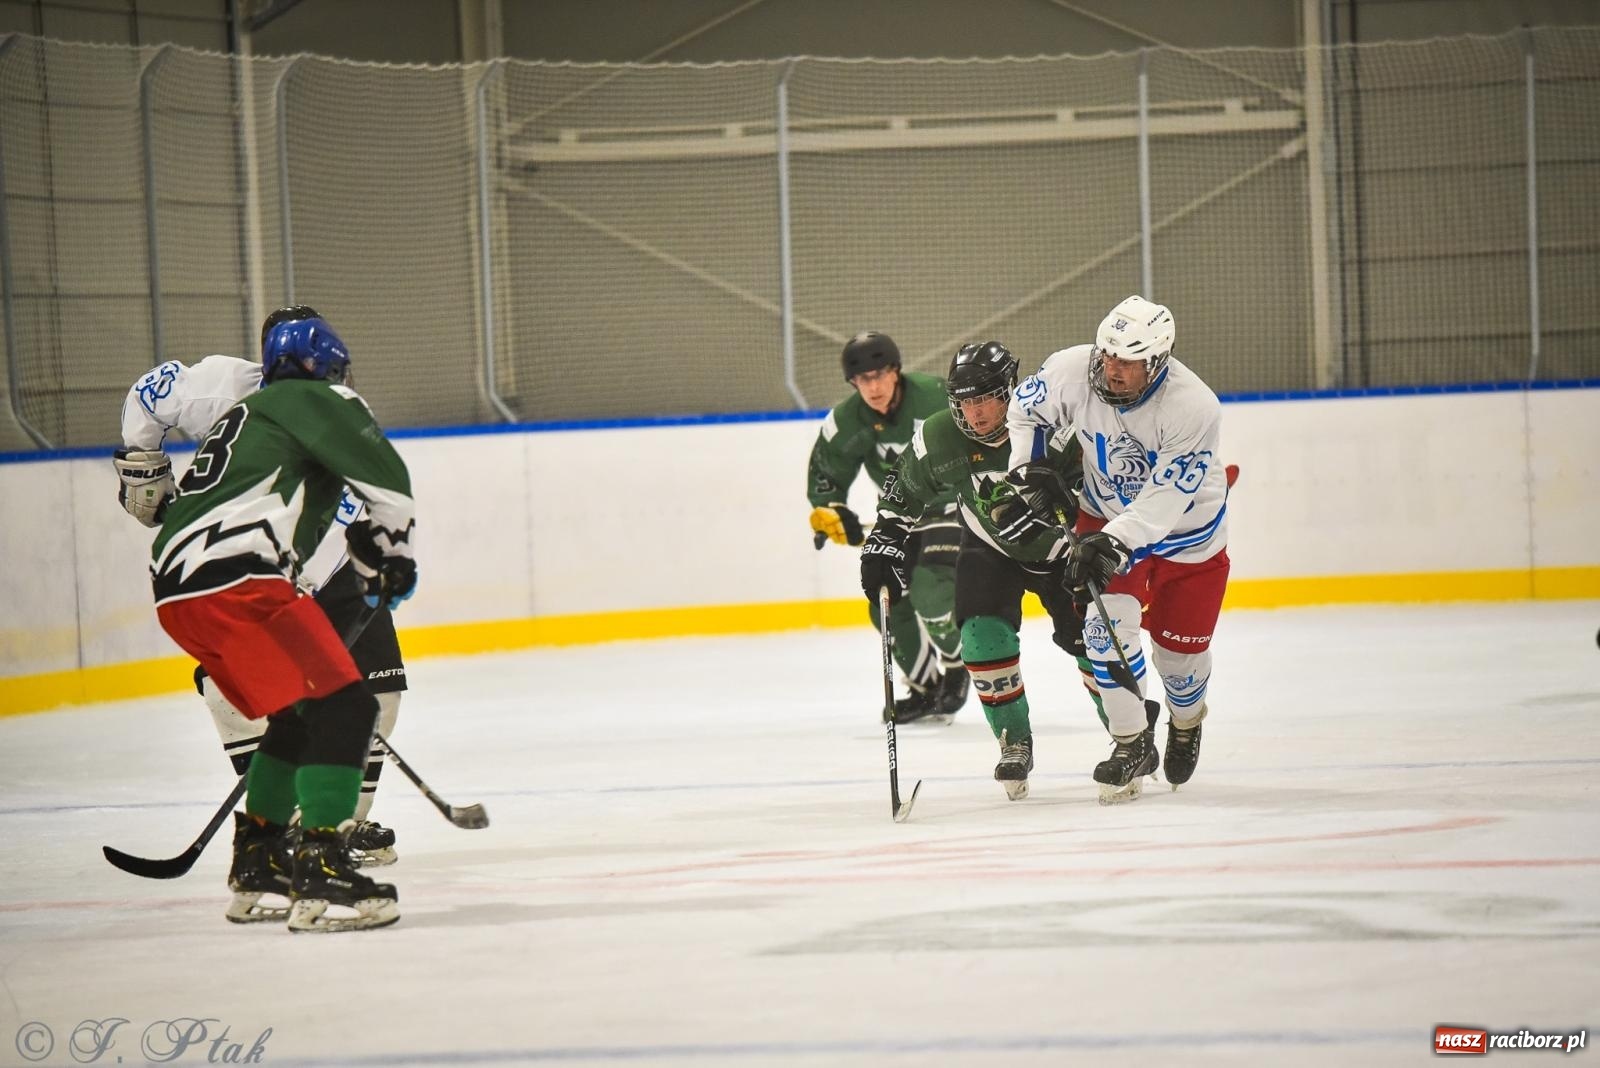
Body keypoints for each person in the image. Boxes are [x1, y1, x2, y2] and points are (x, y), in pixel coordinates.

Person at [142, 308, 417, 932]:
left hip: (177, 588)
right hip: (242, 581)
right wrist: (396, 557)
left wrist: (366, 547)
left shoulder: (243, 416)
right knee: (348, 707)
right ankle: (322, 866)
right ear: (324, 368)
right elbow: (389, 483)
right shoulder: (317, 400)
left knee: (298, 714)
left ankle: (258, 863)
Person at [858, 341, 1155, 800]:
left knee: (1092, 643)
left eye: (985, 399)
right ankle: (1014, 740)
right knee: (979, 636)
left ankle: (1129, 738)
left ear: (1009, 390)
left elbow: (1111, 486)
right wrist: (884, 543)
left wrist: (1068, 497)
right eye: (965, 402)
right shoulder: (939, 438)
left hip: (1064, 550)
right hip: (989, 547)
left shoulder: (1055, 421)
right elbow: (902, 495)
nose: (975, 414)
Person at [1006, 295, 1230, 804]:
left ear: (1157, 361)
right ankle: (1130, 742)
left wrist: (1113, 539)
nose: (1111, 368)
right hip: (1105, 513)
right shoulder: (1069, 369)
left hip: (1187, 537)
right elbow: (1025, 412)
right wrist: (1030, 469)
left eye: (1127, 360)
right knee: (1103, 629)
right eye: (1108, 354)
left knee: (1178, 659)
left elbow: (1165, 500)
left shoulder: (1194, 407)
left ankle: (1187, 718)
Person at [807, 331, 968, 723]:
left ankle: (956, 666)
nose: (874, 386)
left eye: (880, 374)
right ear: (853, 383)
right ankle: (926, 688)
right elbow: (826, 476)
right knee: (884, 604)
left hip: (955, 510)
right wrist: (831, 509)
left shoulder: (937, 397)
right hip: (900, 517)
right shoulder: (847, 421)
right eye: (864, 380)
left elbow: (981, 436)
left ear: (896, 371)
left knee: (931, 592)